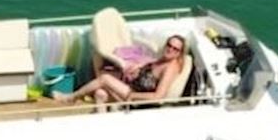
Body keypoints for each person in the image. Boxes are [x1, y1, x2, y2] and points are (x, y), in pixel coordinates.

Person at [58, 35, 189, 108]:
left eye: (175, 49)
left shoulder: (171, 68)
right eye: (169, 45)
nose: (170, 49)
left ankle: (71, 98)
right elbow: (152, 64)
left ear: (179, 53)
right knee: (100, 93)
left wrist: (133, 96)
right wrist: (139, 65)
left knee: (105, 79)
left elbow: (158, 96)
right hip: (132, 87)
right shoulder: (163, 59)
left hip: (138, 99)